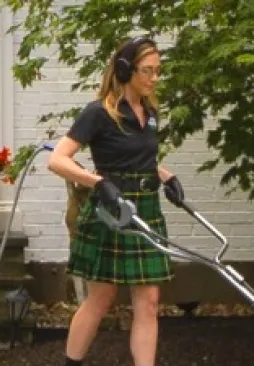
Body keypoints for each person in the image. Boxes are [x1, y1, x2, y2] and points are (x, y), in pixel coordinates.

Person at [47, 36, 186, 366]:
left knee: (149, 300)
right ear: (125, 70)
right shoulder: (99, 113)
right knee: (101, 296)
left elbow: (139, 159)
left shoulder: (149, 112)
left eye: (158, 71)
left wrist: (166, 176)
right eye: (147, 71)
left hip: (146, 208)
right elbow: (57, 160)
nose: (155, 78)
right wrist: (98, 183)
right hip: (112, 209)